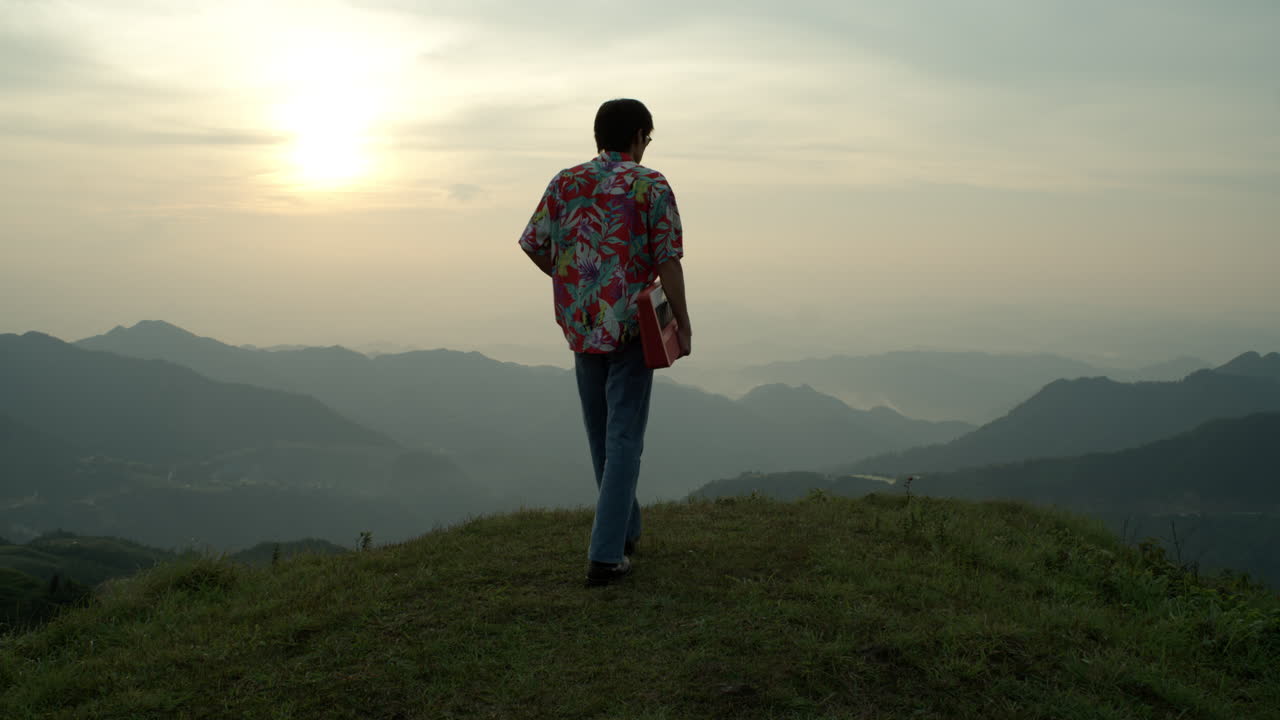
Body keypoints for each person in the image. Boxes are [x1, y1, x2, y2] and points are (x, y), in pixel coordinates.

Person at [518, 98, 692, 586]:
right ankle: (606, 555)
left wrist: (573, 281)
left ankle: (624, 529)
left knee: (602, 437)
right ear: (637, 136)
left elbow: (533, 243)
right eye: (648, 138)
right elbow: (669, 259)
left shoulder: (566, 182)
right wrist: (683, 322)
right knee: (624, 439)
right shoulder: (650, 185)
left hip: (581, 324)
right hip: (633, 327)